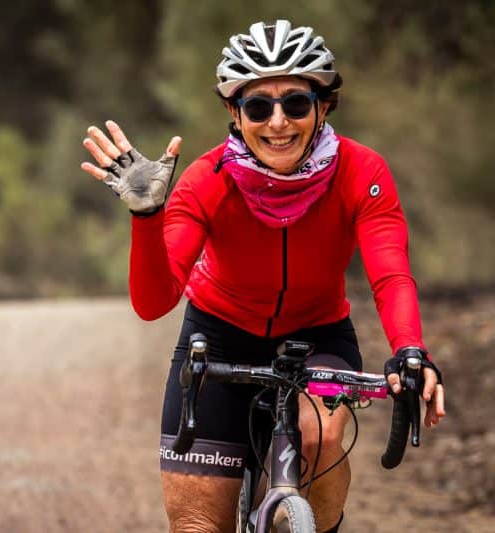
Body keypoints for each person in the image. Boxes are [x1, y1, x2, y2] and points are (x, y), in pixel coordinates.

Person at [81, 19, 446, 533]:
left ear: (323, 106)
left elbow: (391, 275)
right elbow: (153, 302)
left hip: (318, 338)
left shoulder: (362, 172)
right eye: (258, 107)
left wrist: (410, 349)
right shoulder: (205, 181)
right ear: (235, 113)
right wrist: (147, 218)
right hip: (219, 336)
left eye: (296, 103)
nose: (278, 123)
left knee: (321, 436)